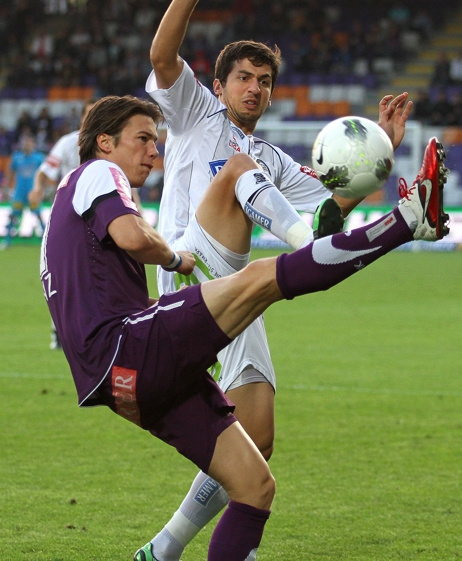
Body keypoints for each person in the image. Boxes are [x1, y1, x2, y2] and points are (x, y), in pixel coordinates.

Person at [40, 94, 448, 561]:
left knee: (254, 486)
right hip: (127, 344)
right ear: (105, 142)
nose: (155, 150)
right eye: (144, 139)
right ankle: (409, 219)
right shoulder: (98, 171)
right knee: (260, 279)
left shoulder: (65, 208)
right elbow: (132, 236)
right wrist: (174, 257)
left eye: (156, 139)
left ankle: (164, 550)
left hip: (117, 379)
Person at [143, 0, 418, 560]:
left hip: (234, 279)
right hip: (186, 265)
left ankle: (163, 548)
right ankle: (300, 270)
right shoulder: (192, 113)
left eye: (264, 82)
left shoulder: (271, 159)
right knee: (242, 173)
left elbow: (325, 212)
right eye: (244, 78)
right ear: (218, 84)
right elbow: (163, 56)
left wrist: (379, 154)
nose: (255, 89)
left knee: (257, 438)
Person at [29, 99, 96, 348]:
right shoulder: (68, 143)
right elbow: (44, 171)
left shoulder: (109, 143)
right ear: (81, 118)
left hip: (100, 218)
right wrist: (37, 188)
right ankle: (59, 329)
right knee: (65, 274)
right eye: (89, 114)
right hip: (70, 217)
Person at [1, 134, 45, 248]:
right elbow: (10, 172)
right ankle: (8, 241)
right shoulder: (17, 157)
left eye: (29, 143)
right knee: (13, 216)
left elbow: (44, 174)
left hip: (32, 193)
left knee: (38, 215)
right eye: (26, 143)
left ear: (33, 144)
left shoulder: (38, 158)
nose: (27, 145)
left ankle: (46, 240)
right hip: (19, 192)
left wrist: (42, 189)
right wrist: (6, 187)